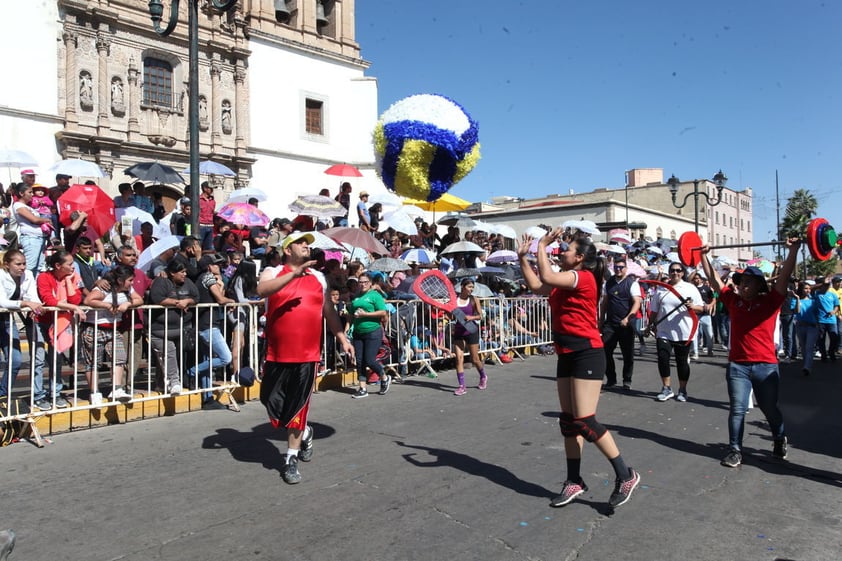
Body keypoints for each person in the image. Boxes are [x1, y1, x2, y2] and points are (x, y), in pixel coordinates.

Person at [518, 229, 640, 510]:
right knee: (568, 421)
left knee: (585, 420)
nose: (562, 251)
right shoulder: (566, 280)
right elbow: (538, 287)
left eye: (567, 249)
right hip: (567, 353)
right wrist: (524, 258)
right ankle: (574, 480)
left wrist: (542, 246)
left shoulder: (582, 277)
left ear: (581, 258)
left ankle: (626, 474)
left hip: (587, 352)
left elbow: (547, 277)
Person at [256, 231, 354, 484]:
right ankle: (306, 432)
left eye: (308, 244)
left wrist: (342, 337)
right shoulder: (273, 272)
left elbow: (329, 311)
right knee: (270, 401)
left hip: (308, 354)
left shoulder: (319, 278)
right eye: (301, 243)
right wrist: (292, 275)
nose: (306, 247)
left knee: (298, 406)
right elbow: (262, 290)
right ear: (287, 250)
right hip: (276, 353)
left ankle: (291, 458)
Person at [700, 240, 799, 468]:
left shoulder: (772, 302)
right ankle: (735, 449)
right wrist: (703, 256)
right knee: (737, 409)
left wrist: (793, 250)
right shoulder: (733, 301)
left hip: (765, 366)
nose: (741, 286)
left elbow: (783, 277)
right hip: (738, 366)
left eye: (746, 283)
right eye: (740, 282)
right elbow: (715, 280)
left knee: (769, 408)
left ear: (758, 286)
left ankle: (778, 437)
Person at [0, 249, 54, 410]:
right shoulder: (1, 275)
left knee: (15, 360)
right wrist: (25, 304)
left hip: (7, 321)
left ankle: (3, 394)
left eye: (24, 263)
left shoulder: (28, 275)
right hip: (4, 314)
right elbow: (2, 301)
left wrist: (34, 306)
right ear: (7, 264)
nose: (22, 267)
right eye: (18, 264)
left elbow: (32, 297)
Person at [81, 264, 143, 403]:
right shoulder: (105, 288)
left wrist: (127, 304)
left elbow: (139, 299)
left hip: (114, 328)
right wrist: (107, 305)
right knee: (93, 361)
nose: (132, 283)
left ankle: (116, 388)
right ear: (121, 280)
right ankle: (94, 392)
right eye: (130, 280)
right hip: (95, 327)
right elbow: (89, 300)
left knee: (119, 357)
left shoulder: (127, 290)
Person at [647, 264, 704, 402]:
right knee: (663, 358)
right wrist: (650, 324)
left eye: (678, 270)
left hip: (684, 331)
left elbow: (701, 308)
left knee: (682, 361)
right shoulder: (661, 289)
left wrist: (692, 307)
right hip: (664, 331)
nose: (675, 273)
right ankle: (666, 388)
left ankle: (682, 390)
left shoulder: (690, 288)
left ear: (683, 273)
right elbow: (654, 310)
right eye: (672, 270)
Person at [36, 250, 84, 406]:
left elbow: (76, 299)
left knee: (56, 359)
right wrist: (73, 307)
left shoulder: (73, 277)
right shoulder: (44, 277)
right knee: (39, 359)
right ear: (57, 265)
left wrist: (69, 281)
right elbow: (48, 300)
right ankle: (38, 395)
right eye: (69, 264)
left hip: (60, 323)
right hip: (41, 321)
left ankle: (55, 393)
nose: (72, 267)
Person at [147, 260, 199, 396]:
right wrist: (177, 303)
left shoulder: (188, 282)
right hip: (161, 330)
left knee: (171, 357)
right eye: (182, 272)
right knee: (169, 354)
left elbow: (196, 297)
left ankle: (162, 383)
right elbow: (157, 298)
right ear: (172, 273)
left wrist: (187, 301)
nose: (185, 274)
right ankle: (174, 382)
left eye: (185, 271)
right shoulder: (161, 281)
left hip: (181, 328)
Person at [189, 253, 233, 410]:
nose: (218, 267)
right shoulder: (208, 277)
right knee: (226, 357)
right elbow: (221, 299)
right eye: (215, 265)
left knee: (208, 360)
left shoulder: (203, 278)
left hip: (204, 323)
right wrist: (232, 301)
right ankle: (193, 371)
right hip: (208, 325)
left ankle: (207, 397)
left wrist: (220, 285)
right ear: (209, 267)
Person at [600, 258, 642, 390]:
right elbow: (605, 302)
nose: (619, 269)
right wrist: (601, 320)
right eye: (616, 267)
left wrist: (628, 318)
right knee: (605, 351)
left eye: (621, 267)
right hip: (611, 323)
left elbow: (637, 302)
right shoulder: (608, 283)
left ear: (626, 269)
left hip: (626, 324)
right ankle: (611, 379)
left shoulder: (632, 283)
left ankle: (627, 380)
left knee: (627, 354)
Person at [348, 272, 390, 398]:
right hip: (358, 332)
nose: (363, 285)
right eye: (360, 282)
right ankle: (362, 388)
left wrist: (365, 315)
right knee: (359, 361)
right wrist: (347, 326)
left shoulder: (374, 295)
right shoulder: (356, 297)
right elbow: (351, 313)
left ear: (370, 283)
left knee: (370, 360)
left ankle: (384, 376)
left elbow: (382, 312)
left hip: (373, 331)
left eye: (365, 282)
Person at [451, 278, 487, 396]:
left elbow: (480, 316)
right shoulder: (455, 300)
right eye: (469, 287)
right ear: (462, 287)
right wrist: (447, 313)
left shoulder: (473, 299)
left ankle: (483, 376)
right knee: (458, 359)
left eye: (472, 287)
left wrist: (471, 318)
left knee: (475, 359)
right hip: (459, 331)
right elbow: (451, 317)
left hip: (471, 331)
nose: (471, 289)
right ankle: (462, 386)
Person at [12, 182, 51, 273]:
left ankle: (35, 285)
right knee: (30, 266)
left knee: (39, 266)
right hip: (31, 238)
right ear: (22, 193)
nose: (32, 195)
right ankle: (25, 285)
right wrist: (46, 220)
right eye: (30, 192)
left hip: (39, 238)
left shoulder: (28, 207)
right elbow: (34, 219)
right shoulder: (18, 205)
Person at [794, 281, 819, 376]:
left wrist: (819, 325)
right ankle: (806, 363)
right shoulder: (796, 300)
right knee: (803, 347)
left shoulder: (813, 300)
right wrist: (797, 299)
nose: (808, 290)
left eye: (809, 288)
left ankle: (807, 367)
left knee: (809, 347)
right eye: (806, 288)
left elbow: (817, 314)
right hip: (800, 326)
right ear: (801, 289)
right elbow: (797, 311)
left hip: (812, 327)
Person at [813, 277, 839, 362]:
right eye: (825, 285)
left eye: (828, 285)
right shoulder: (817, 294)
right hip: (821, 320)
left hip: (832, 320)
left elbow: (837, 306)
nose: (827, 287)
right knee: (821, 339)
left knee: (834, 337)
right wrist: (822, 283)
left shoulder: (833, 295)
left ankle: (831, 352)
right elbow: (811, 288)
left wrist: (833, 311)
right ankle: (823, 355)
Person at [198, 181, 216, 251]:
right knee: (199, 245)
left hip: (210, 225)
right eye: (210, 188)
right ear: (205, 189)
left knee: (208, 247)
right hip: (201, 225)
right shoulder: (198, 200)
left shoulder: (213, 201)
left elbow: (211, 212)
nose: (212, 190)